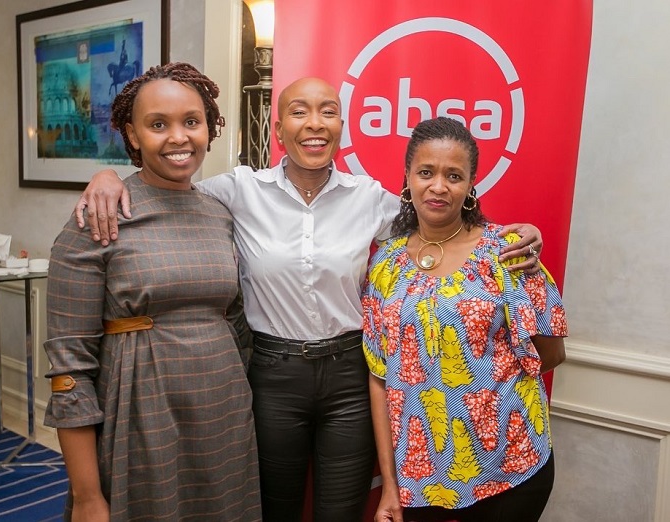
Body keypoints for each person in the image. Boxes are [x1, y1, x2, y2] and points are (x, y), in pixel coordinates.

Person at [73, 77, 544, 521]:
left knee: (341, 511)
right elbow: (169, 186)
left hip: (349, 378)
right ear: (279, 130)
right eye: (299, 112)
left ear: (341, 127)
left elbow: (440, 218)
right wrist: (109, 176)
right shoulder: (238, 191)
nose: (314, 123)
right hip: (272, 376)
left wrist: (513, 234)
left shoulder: (369, 198)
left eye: (328, 112)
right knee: (273, 509)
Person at [43, 62, 261, 522]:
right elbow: (69, 369)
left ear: (209, 128)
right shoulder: (99, 217)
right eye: (158, 124)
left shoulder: (219, 213)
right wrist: (87, 496)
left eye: (191, 121)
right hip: (141, 417)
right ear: (133, 134)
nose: (178, 137)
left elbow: (236, 322)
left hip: (223, 414)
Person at [362, 117, 567, 522]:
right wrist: (390, 484)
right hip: (420, 477)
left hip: (511, 466)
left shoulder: (508, 252)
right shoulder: (385, 264)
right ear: (407, 178)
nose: (438, 186)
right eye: (426, 172)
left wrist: (482, 389)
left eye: (453, 176)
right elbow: (379, 377)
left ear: (471, 184)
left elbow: (551, 353)